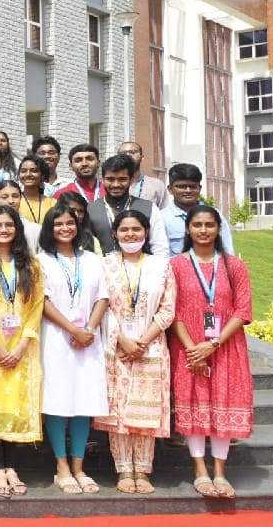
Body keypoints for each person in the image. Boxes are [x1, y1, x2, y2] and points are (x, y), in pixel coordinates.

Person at [169, 205, 253, 499]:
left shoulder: (234, 266)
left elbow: (242, 311)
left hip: (226, 347)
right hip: (188, 348)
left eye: (209, 225)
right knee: (194, 404)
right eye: (197, 225)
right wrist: (194, 349)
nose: (203, 230)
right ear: (188, 229)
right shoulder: (176, 265)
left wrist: (212, 344)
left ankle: (219, 470)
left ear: (219, 229)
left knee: (222, 403)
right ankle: (199, 470)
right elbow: (172, 311)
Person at [94, 210, 175, 495]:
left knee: (145, 411)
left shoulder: (161, 266)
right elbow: (102, 306)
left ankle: (143, 469)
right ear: (115, 233)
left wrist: (142, 340)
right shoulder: (105, 265)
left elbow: (167, 309)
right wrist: (124, 341)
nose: (131, 235)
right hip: (115, 347)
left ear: (147, 232)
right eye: (124, 230)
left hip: (150, 346)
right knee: (118, 411)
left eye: (136, 229)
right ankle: (123, 469)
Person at [0, 206, 44, 498]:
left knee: (15, 404)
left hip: (22, 348)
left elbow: (37, 307)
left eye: (9, 225)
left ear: (17, 229)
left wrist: (22, 344)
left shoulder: (31, 264)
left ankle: (12, 466)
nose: (3, 230)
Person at [37, 205, 109, 495]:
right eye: (58, 224)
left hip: (88, 341)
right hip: (57, 339)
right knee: (58, 401)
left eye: (70, 223)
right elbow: (41, 301)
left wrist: (88, 330)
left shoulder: (92, 260)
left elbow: (103, 296)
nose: (65, 228)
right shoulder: (41, 260)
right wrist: (72, 329)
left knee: (83, 402)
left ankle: (79, 466)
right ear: (49, 229)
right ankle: (61, 467)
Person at [88, 154, 169, 256]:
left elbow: (160, 247)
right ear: (103, 180)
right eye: (110, 179)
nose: (116, 184)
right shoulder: (90, 210)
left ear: (131, 180)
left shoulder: (149, 208)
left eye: (122, 179)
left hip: (143, 269)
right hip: (103, 269)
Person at [163, 163, 234, 256]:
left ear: (199, 188)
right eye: (181, 187)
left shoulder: (214, 215)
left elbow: (227, 249)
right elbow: (161, 254)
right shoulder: (162, 218)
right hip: (176, 269)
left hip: (213, 269)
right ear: (170, 189)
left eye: (192, 186)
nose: (188, 191)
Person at [117, 142, 169, 209]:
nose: (128, 155)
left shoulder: (156, 185)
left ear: (142, 157)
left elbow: (163, 213)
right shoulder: (112, 185)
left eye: (132, 152)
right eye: (123, 153)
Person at [16, 155, 56, 224]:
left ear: (42, 175)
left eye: (34, 171)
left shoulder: (53, 203)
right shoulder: (14, 201)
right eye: (23, 171)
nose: (28, 174)